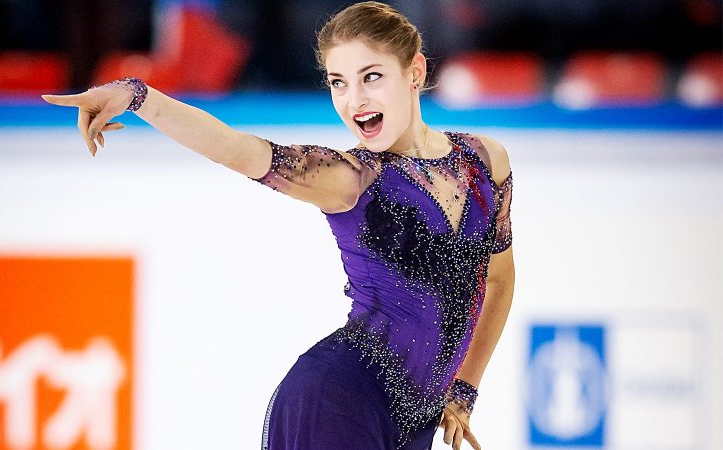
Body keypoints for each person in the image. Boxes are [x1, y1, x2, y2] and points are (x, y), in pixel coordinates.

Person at [42, 2, 514, 449]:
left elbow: (499, 278)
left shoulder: (484, 162)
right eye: (338, 83)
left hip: (414, 419)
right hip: (338, 400)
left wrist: (465, 388)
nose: (355, 100)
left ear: (415, 72)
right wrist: (137, 96)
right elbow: (238, 149)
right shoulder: (351, 177)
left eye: (371, 77)